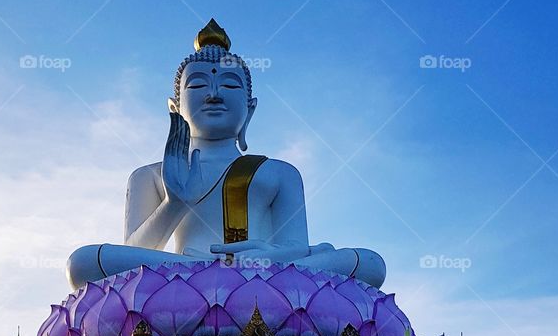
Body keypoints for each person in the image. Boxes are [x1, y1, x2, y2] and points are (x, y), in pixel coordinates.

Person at [67, 19, 387, 290]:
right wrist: (173, 203)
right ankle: (210, 272)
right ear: (175, 107)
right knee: (83, 263)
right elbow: (132, 256)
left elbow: (294, 248)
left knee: (367, 264)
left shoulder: (279, 172)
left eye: (231, 86)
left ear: (250, 109)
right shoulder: (150, 175)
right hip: (184, 275)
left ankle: (217, 274)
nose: (215, 94)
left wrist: (258, 257)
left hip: (260, 275)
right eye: (198, 86)